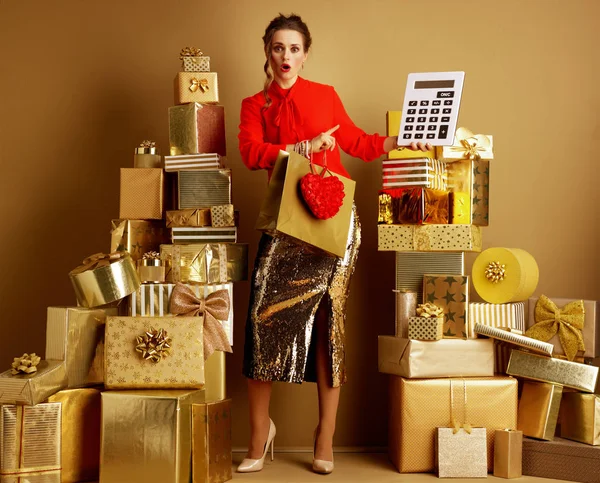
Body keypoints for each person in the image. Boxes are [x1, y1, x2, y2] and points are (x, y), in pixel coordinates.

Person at [237, 13, 430, 475]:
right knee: (263, 322)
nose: (286, 57)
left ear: (306, 53)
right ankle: (260, 435)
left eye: (294, 49)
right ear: (267, 51)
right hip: (286, 225)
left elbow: (359, 142)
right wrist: (302, 147)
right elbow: (249, 152)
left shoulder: (324, 95)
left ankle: (325, 435)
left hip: (335, 222)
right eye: (278, 48)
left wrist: (401, 139)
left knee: (329, 325)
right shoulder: (253, 105)